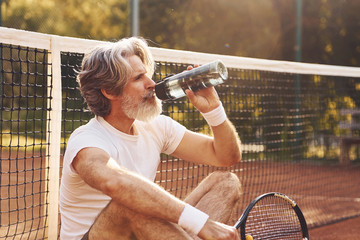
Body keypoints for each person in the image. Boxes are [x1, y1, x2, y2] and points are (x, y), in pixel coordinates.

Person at [59, 37, 242, 240]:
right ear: (110, 91)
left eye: (147, 74)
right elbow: (116, 183)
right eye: (138, 78)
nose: (151, 83)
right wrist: (201, 223)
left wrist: (214, 110)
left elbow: (226, 156)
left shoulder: (155, 127)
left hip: (141, 233)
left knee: (226, 183)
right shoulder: (86, 140)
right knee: (130, 202)